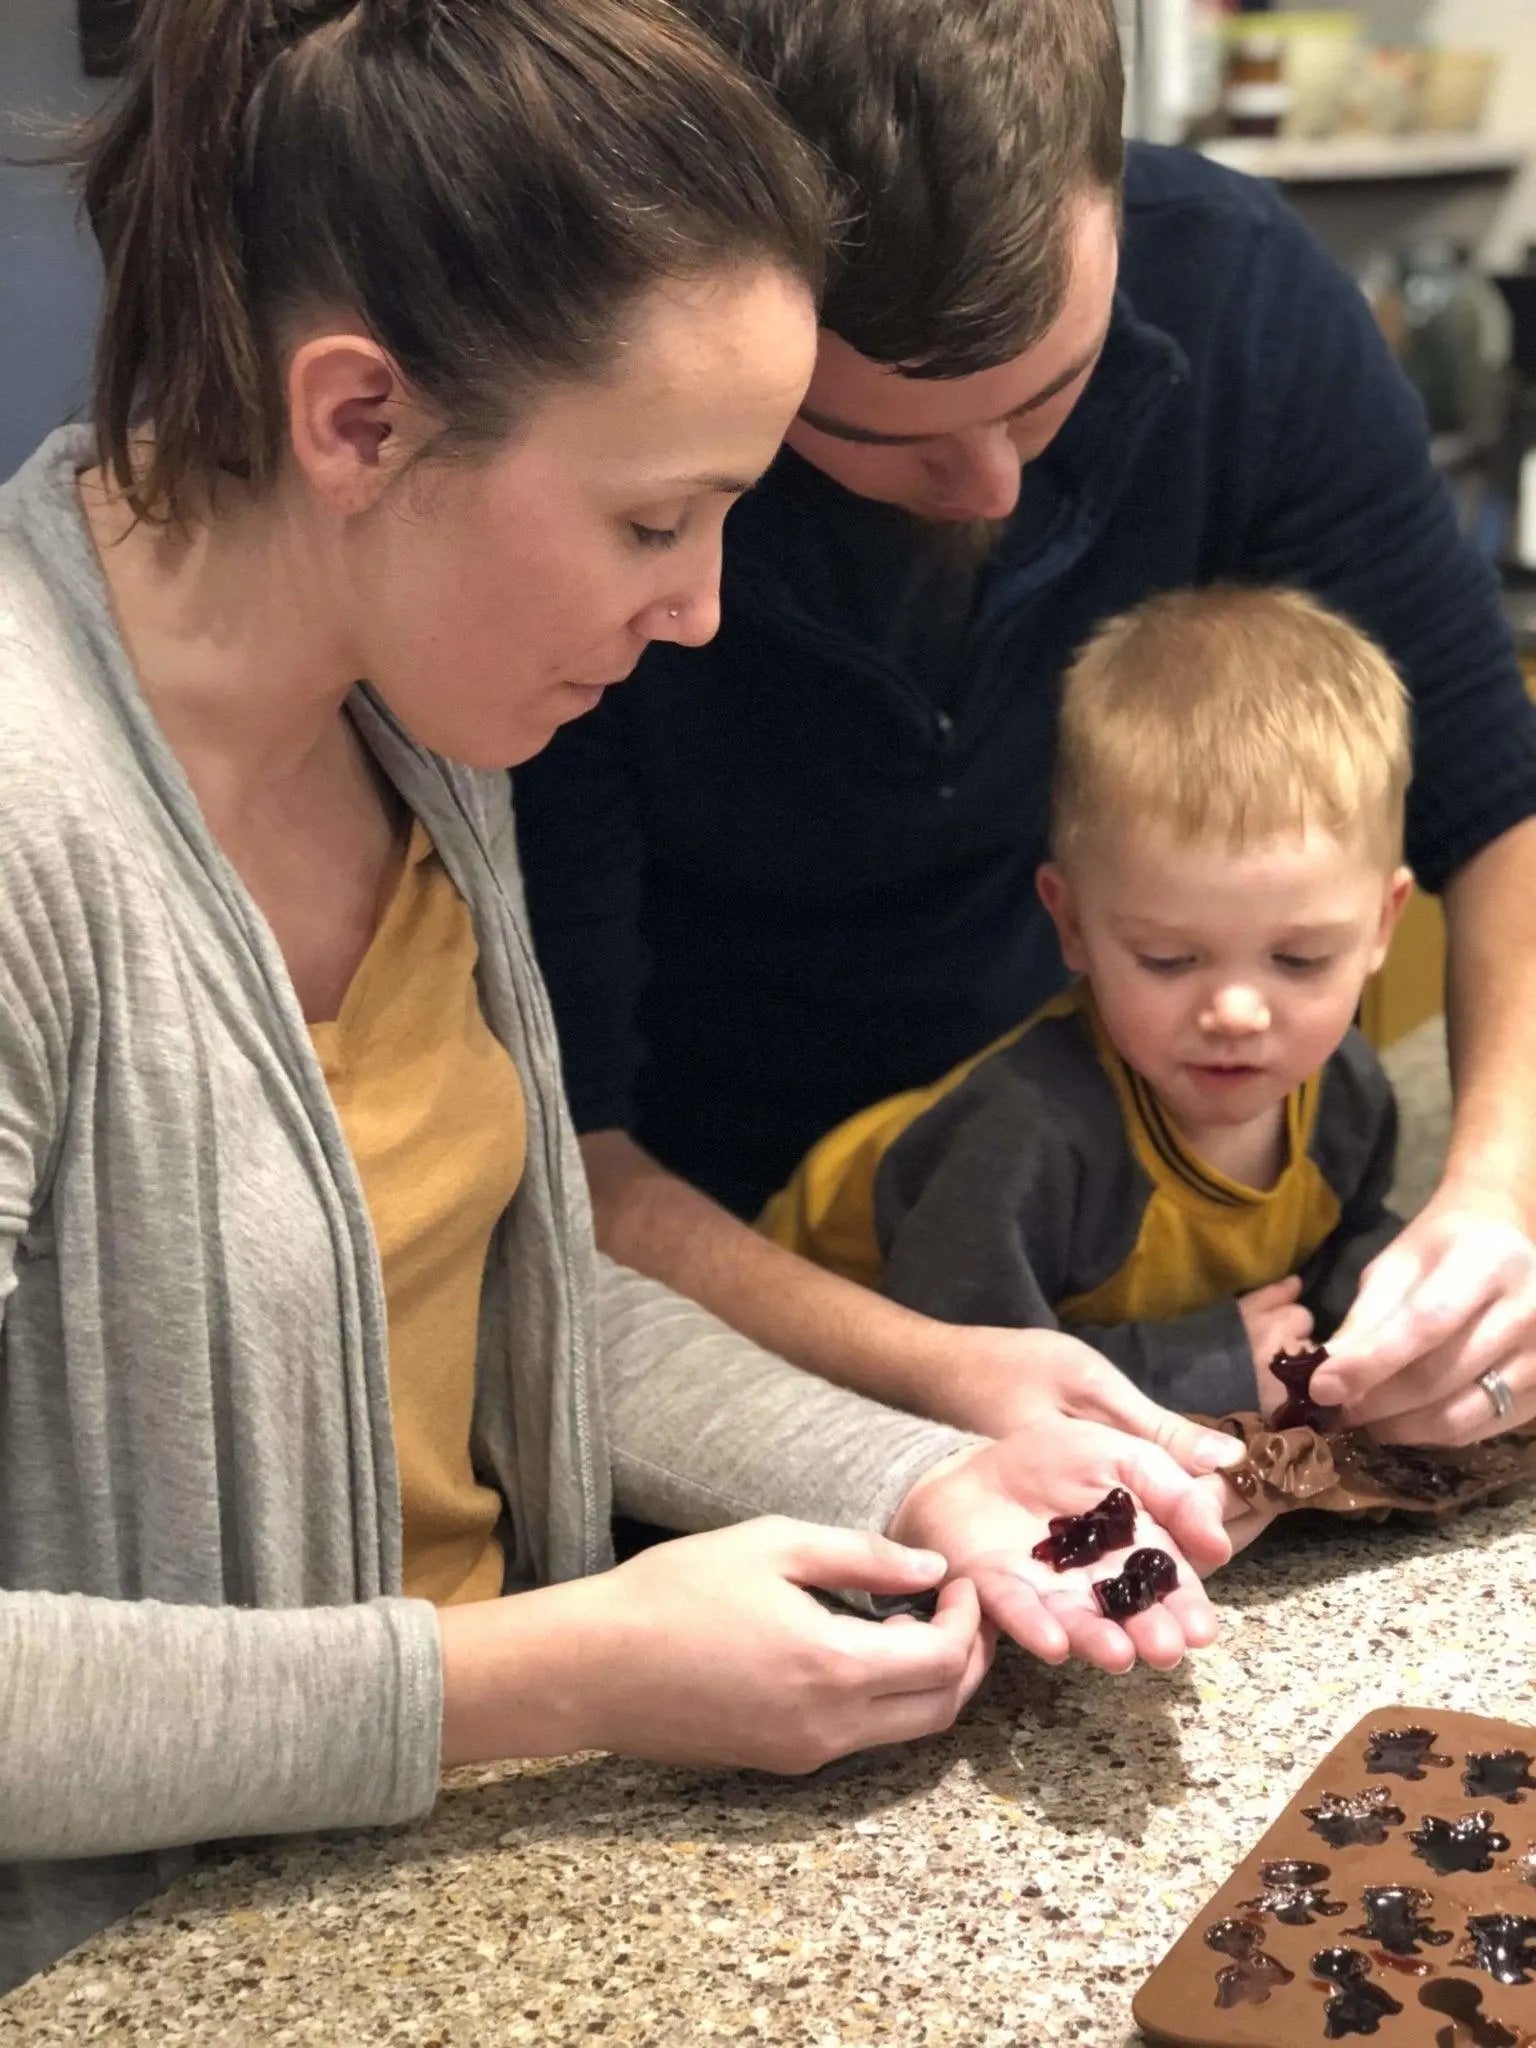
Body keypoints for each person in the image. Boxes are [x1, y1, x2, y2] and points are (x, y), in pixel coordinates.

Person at [0, 0, 1243, 1996]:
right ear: (355, 420)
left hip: (454, 1897)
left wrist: (914, 1467)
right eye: (655, 519)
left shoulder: (418, 734)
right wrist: (549, 1669)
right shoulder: (28, 814)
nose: (701, 609)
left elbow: (512, 1292)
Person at [513, 0, 1536, 1454]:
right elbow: (570, 1158)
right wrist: (947, 1370)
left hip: (1107, 1218)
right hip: (716, 1305)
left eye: (1052, 394)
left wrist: (1497, 1196)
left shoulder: (1243, 298)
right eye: (887, 436)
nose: (990, 485)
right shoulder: (608, 474)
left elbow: (1499, 810)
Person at [761, 587, 1413, 1419]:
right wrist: (1205, 1365)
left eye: (1301, 958)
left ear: (1383, 924)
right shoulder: (1026, 1137)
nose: (1239, 1011)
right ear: (1070, 923)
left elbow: (1342, 1242)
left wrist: (1395, 1322)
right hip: (804, 1358)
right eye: (1169, 959)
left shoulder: (1347, 1091)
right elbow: (961, 1376)